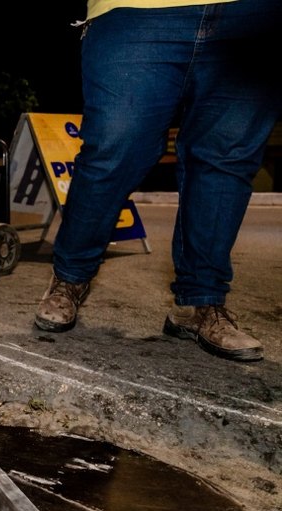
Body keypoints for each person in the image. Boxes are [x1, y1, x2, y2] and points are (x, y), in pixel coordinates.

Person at [35, 0, 281, 362]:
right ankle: (70, 276)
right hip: (137, 11)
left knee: (225, 159)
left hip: (254, 14)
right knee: (115, 145)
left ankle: (201, 301)